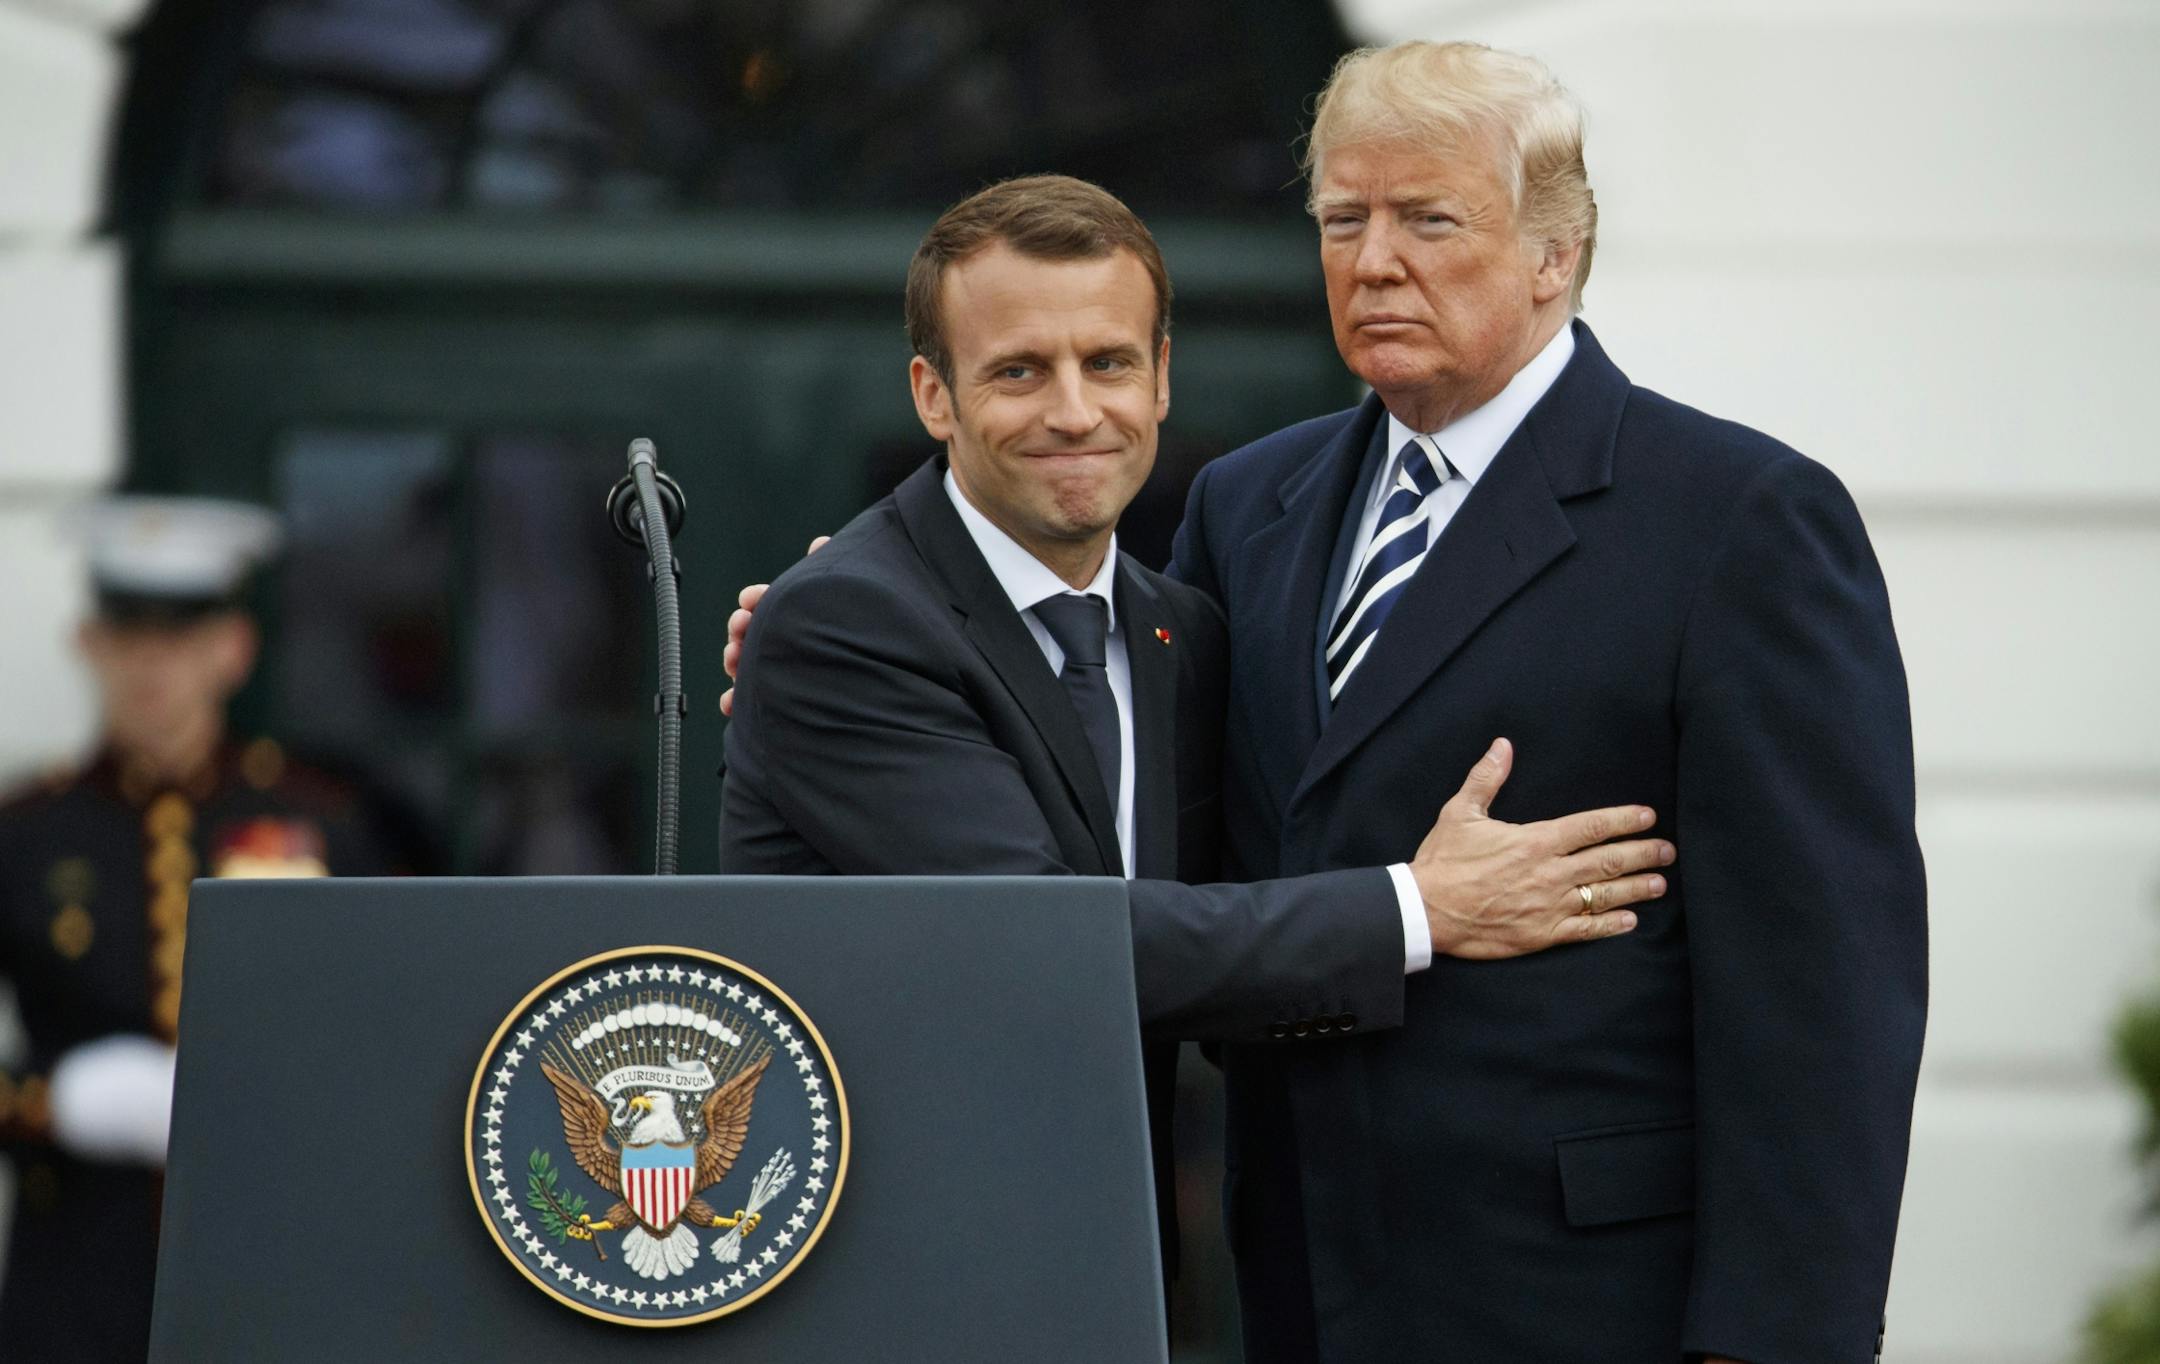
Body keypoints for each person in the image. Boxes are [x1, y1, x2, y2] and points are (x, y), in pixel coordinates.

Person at [716, 176, 1674, 1291]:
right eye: (1019, 370)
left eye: (1110, 363)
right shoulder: (847, 619)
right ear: (934, 395)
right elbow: (1041, 940)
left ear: (1164, 377)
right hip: (879, 1274)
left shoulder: (1180, 631)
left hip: (1113, 1273)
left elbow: (1234, 904)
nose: (1076, 411)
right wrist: (1422, 905)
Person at [1152, 41, 1926, 1364]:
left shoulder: (1738, 519)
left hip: (1587, 1305)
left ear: (1553, 256)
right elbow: (1148, 820)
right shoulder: (1246, 506)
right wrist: (879, 631)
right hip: (1300, 1293)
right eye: (1345, 219)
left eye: (1429, 220)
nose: (1374, 259)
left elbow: (1826, 998)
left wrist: (1774, 1340)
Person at [0, 497, 408, 1360]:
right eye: (128, 635)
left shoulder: (321, 819)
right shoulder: (28, 831)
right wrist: (52, 1102)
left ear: (232, 648)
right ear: (88, 643)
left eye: (180, 637)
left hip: (280, 1249)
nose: (152, 664)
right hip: (77, 1270)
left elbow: (392, 1030)